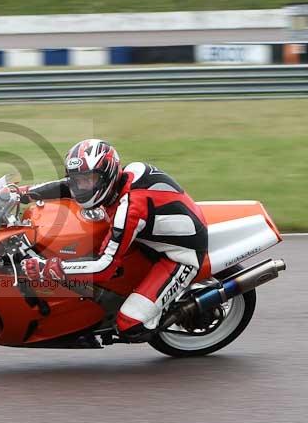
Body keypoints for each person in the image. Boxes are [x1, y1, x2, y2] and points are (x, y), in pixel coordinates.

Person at [19, 139, 208, 341]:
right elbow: (66, 187)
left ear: (107, 175)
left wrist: (53, 268)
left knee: (130, 324)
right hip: (148, 239)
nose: (81, 187)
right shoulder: (116, 181)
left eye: (88, 180)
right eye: (77, 180)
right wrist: (23, 193)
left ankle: (174, 312)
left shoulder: (129, 210)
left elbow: (104, 267)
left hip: (179, 252)